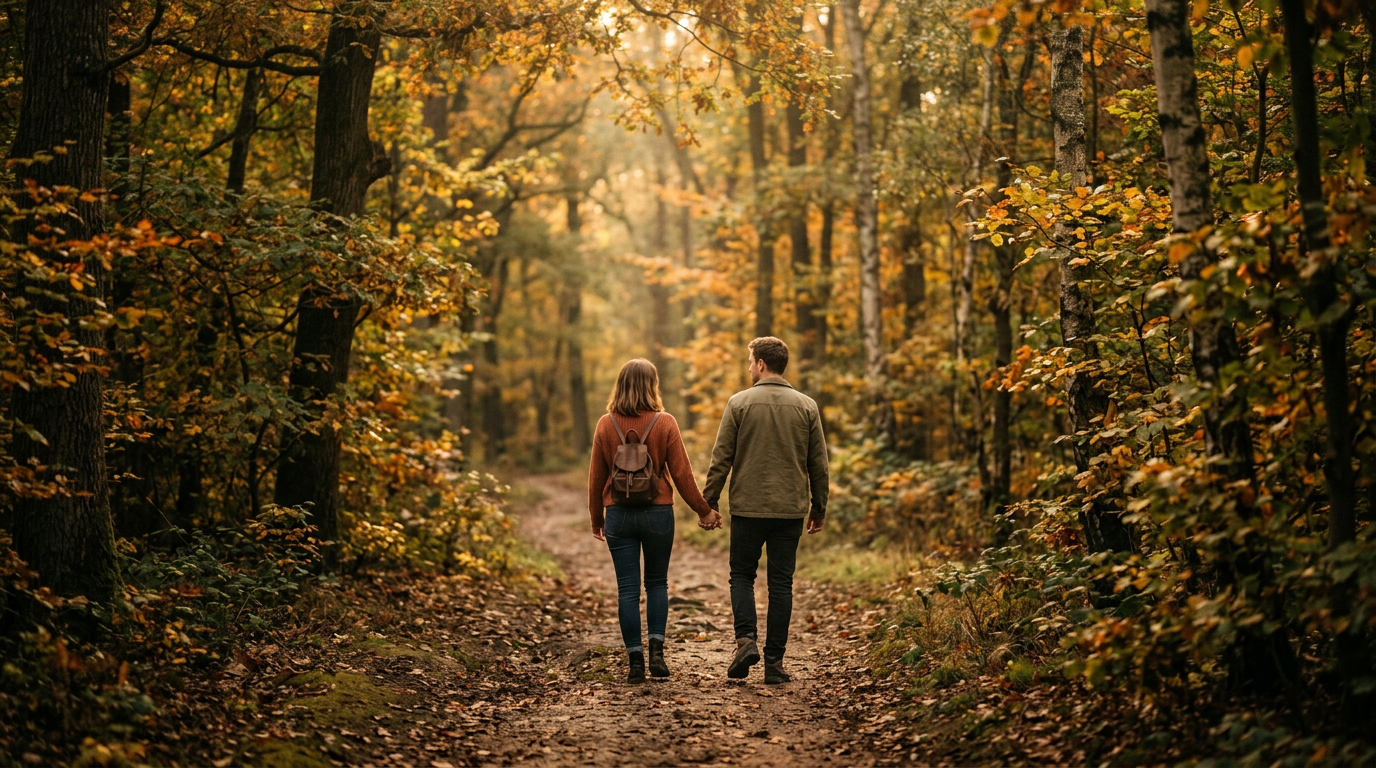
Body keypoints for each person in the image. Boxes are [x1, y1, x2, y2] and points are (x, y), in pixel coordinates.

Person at [588, 359, 723, 684]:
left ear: (619, 385)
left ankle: (635, 662)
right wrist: (704, 510)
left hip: (618, 514)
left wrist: (597, 517)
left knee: (627, 589)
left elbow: (596, 478)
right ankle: (657, 655)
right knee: (658, 583)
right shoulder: (665, 423)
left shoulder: (606, 424)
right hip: (658, 513)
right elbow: (681, 474)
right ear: (652, 385)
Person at [703, 336, 829, 684]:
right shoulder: (807, 406)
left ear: (761, 364)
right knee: (781, 584)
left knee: (742, 576)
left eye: (750, 361)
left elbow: (721, 458)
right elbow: (818, 463)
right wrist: (819, 507)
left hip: (748, 508)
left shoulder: (739, 403)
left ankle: (745, 641)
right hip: (790, 510)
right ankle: (774, 663)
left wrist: (708, 503)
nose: (748, 368)